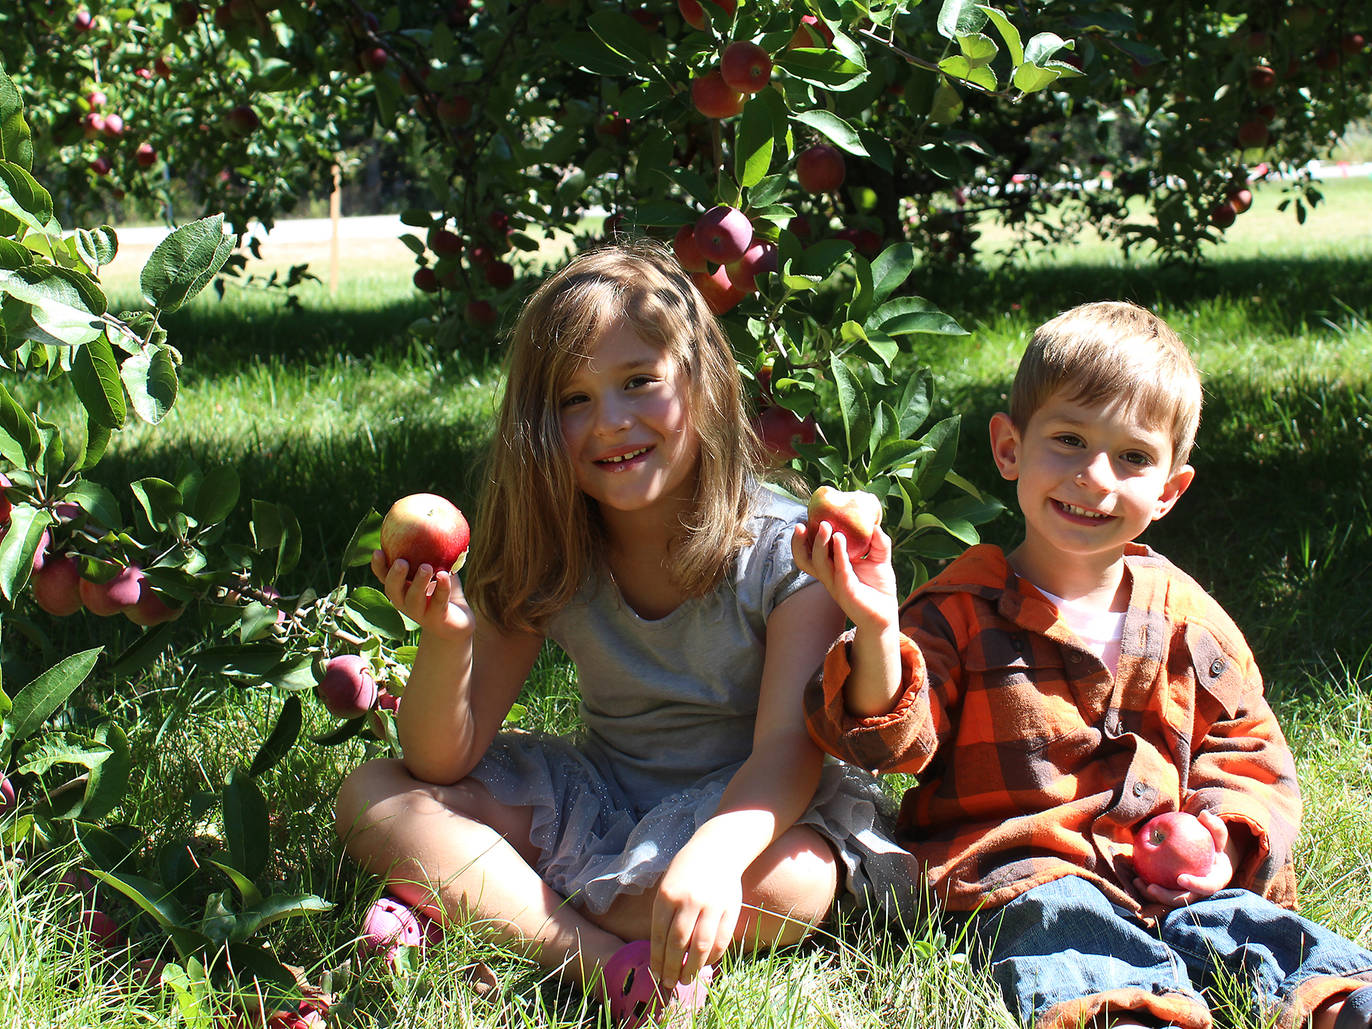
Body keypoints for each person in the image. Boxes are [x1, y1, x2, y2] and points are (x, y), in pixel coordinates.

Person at [335, 240, 908, 1026]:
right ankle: (601, 961)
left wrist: (710, 856)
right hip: (605, 797)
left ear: (702, 386)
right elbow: (442, 757)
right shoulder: (553, 545)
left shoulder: (785, 552)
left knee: (802, 881)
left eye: (639, 382)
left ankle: (482, 903)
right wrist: (448, 636)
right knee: (373, 795)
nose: (610, 422)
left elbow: (786, 752)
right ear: (540, 423)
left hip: (754, 812)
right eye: (573, 399)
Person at [793, 301, 1372, 1029]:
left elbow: (1248, 747)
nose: (1094, 477)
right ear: (1009, 447)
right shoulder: (962, 610)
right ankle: (1126, 1012)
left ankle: (1343, 1003)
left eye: (1132, 456)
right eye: (1068, 440)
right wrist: (876, 624)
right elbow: (883, 742)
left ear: (1169, 489)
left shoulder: (1190, 620)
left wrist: (1222, 840)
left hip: (1171, 873)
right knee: (1062, 922)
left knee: (1249, 927)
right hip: (1027, 869)